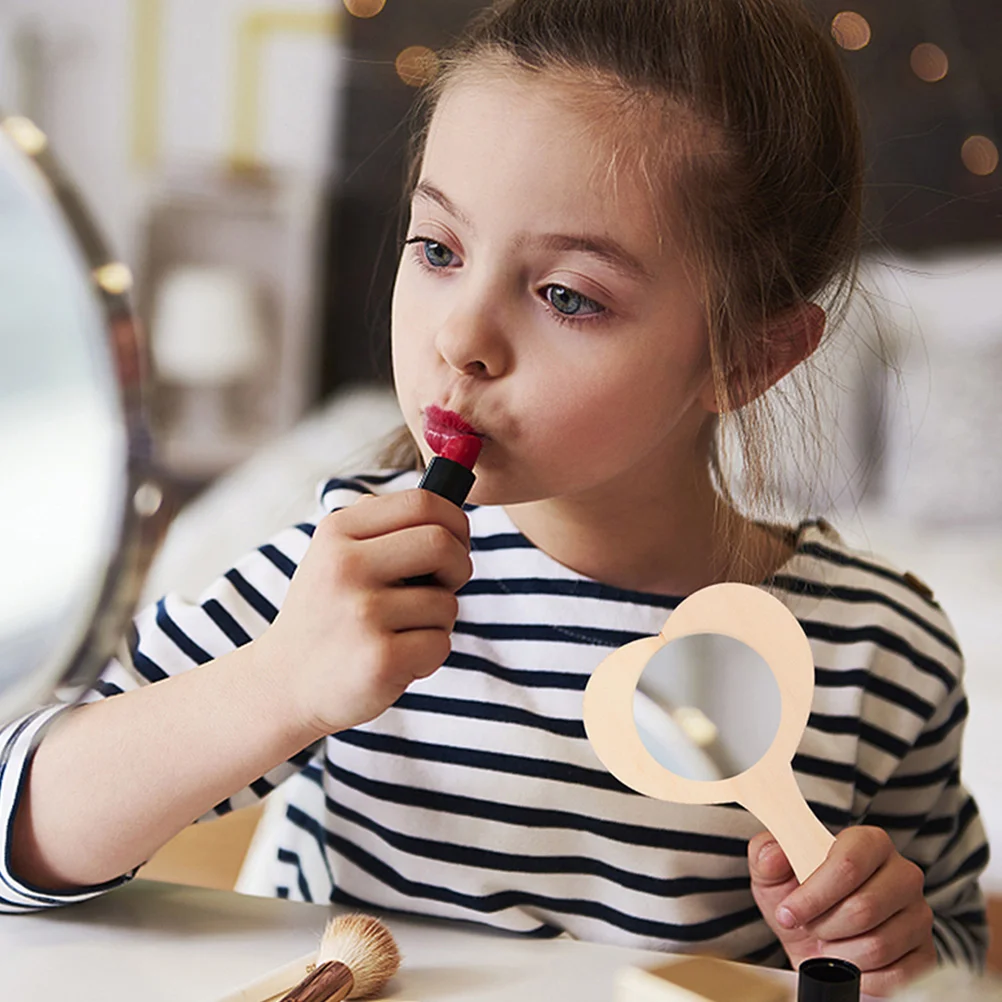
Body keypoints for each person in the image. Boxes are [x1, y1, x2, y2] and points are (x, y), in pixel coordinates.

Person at [1, 0, 988, 995]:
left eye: (568, 296)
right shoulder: (343, 564)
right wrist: (281, 686)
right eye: (437, 249)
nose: (460, 336)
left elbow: (951, 952)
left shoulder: (880, 654)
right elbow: (18, 832)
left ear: (749, 355)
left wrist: (887, 949)